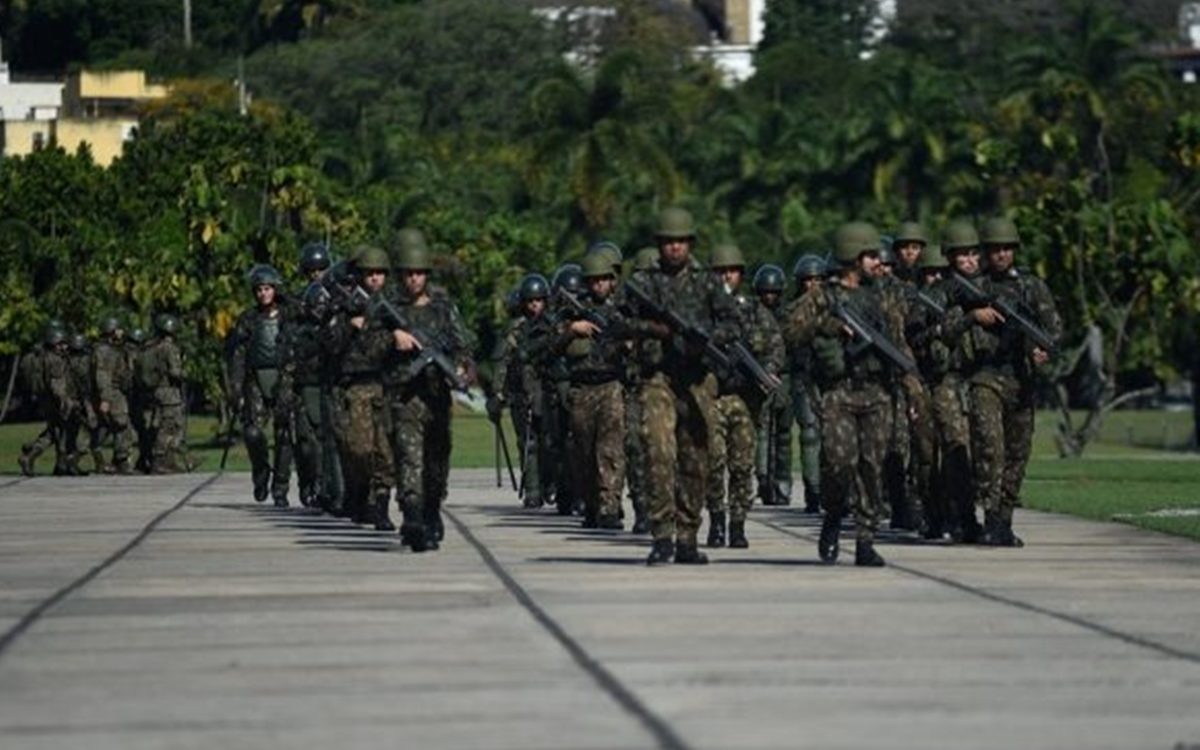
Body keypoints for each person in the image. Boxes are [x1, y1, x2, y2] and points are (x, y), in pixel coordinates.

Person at [786, 222, 919, 567]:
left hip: (877, 392)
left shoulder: (885, 294)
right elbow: (792, 331)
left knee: (872, 466)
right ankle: (832, 517)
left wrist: (912, 387)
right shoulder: (823, 296)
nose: (879, 261)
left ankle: (865, 539)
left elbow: (897, 341)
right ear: (851, 257)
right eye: (871, 255)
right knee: (840, 463)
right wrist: (829, 325)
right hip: (838, 393)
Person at [621, 207, 738, 566]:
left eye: (681, 242)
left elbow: (733, 321)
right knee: (658, 449)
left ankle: (687, 535)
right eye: (669, 242)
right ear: (660, 244)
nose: (675, 248)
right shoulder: (644, 283)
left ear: (690, 244)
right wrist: (658, 331)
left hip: (697, 379)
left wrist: (706, 338)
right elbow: (618, 322)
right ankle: (661, 535)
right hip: (657, 378)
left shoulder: (706, 282)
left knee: (696, 456)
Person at [949, 216, 1061, 546]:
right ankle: (991, 517)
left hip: (1021, 379)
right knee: (989, 448)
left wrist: (1043, 350)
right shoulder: (972, 287)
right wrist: (974, 316)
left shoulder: (1031, 287)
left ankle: (1005, 520)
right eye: (995, 249)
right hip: (985, 377)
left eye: (1006, 249)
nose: (1001, 254)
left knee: (1017, 452)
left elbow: (1052, 328)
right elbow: (946, 325)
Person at [384, 228, 474, 550]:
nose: (414, 279)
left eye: (419, 273)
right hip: (405, 398)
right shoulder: (387, 310)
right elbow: (366, 349)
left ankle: (431, 512)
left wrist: (462, 367)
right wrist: (392, 339)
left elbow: (463, 345)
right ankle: (412, 518)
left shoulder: (443, 308)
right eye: (408, 273)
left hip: (437, 398)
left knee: (436, 464)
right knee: (409, 459)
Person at [704, 245, 784, 549]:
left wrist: (769, 370)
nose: (727, 276)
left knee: (741, 465)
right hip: (712, 396)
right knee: (714, 461)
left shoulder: (754, 311)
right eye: (721, 271)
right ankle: (716, 521)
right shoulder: (702, 312)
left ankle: (738, 524)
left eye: (732, 271)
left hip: (746, 399)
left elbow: (776, 346)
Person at [555, 251, 630, 530]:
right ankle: (591, 503)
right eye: (593, 280)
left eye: (604, 279)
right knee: (583, 452)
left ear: (612, 280)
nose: (599, 285)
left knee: (610, 450)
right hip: (581, 388)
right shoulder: (572, 312)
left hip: (611, 384)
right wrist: (571, 330)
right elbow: (549, 348)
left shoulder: (623, 309)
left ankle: (609, 507)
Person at [324, 246, 396, 526]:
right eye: (370, 274)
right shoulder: (345, 305)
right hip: (356, 387)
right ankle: (359, 494)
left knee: (387, 452)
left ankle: (381, 506)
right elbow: (330, 344)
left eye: (380, 273)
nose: (375, 279)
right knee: (359, 450)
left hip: (387, 386)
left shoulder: (394, 306)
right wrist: (350, 325)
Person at [226, 265, 295, 506]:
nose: (263, 294)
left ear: (275, 289)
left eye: (267, 289)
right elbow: (238, 354)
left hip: (283, 377)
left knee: (284, 434)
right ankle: (261, 473)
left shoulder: (289, 315)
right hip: (255, 378)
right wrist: (235, 385)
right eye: (259, 290)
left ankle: (281, 487)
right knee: (253, 432)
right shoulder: (248, 319)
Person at [490, 273, 555, 509]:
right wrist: (497, 394)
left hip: (547, 393)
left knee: (550, 442)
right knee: (527, 444)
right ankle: (532, 490)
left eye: (539, 300)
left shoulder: (554, 325)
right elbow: (502, 363)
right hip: (521, 395)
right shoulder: (515, 331)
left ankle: (552, 485)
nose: (535, 305)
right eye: (530, 301)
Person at [787, 255, 828, 514]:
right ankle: (813, 490)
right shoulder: (793, 310)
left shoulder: (835, 305)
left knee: (834, 438)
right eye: (808, 280)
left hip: (829, 377)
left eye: (818, 280)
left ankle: (835, 492)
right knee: (810, 433)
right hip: (804, 377)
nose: (813, 285)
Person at [751, 263, 793, 508]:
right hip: (760, 377)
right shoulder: (752, 315)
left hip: (784, 379)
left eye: (774, 292)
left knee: (784, 433)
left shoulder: (787, 316)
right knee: (762, 430)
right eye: (765, 292)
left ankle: (782, 480)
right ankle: (764, 479)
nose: (770, 297)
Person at [139, 314, 189, 473]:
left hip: (155, 391)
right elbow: (175, 372)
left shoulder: (150, 347)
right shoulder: (169, 348)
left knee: (164, 425)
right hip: (169, 392)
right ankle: (160, 459)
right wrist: (184, 374)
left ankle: (169, 461)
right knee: (168, 426)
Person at [91, 317, 135, 474]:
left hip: (117, 392)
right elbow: (102, 375)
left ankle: (118, 460)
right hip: (112, 393)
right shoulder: (103, 351)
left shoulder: (115, 349)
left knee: (120, 426)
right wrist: (105, 398)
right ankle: (121, 461)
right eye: (118, 329)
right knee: (121, 425)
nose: (121, 332)